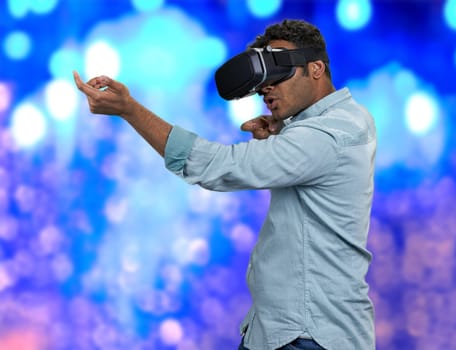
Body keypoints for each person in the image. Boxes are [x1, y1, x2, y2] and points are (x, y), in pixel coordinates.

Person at [74, 19, 376, 350]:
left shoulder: (328, 135)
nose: (267, 88)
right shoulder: (349, 118)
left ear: (316, 68)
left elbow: (219, 166)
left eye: (278, 71)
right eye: (262, 83)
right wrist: (284, 133)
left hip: (308, 337)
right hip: (279, 330)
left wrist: (129, 110)